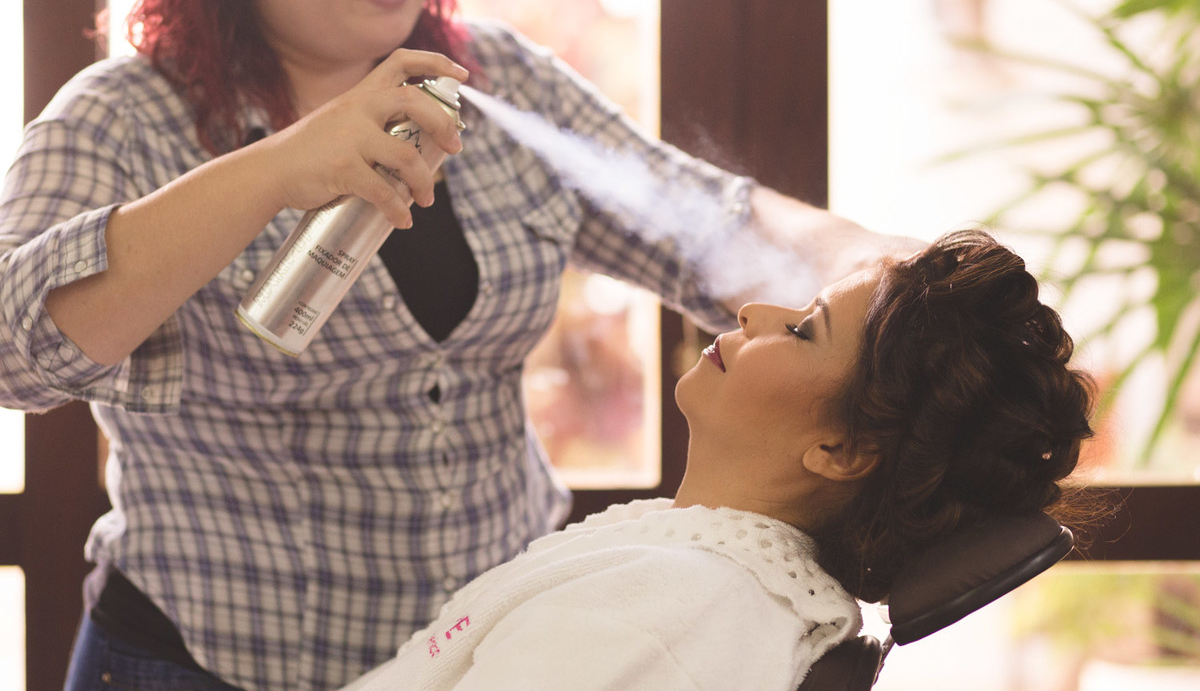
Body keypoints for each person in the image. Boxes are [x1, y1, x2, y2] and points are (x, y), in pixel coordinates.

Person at [0, 0, 918, 690]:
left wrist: (897, 271)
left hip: (487, 658)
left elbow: (702, 224)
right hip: (203, 663)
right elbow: (13, 351)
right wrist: (274, 170)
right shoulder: (121, 118)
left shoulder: (499, 82)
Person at [334, 230, 1097, 691]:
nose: (752, 312)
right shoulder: (693, 577)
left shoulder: (670, 610)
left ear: (842, 449)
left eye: (802, 331)